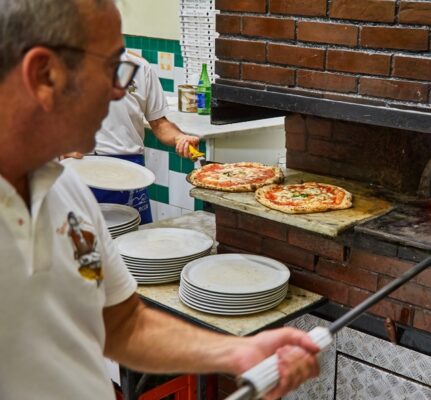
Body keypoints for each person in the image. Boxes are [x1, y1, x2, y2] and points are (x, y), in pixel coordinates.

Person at [0, 1, 319, 399]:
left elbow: (124, 324)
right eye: (113, 68)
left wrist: (238, 352)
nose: (121, 89)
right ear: (44, 74)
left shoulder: (66, 191)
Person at [67, 50, 200, 224]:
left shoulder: (139, 67)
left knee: (135, 243)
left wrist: (179, 138)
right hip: (78, 171)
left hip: (129, 173)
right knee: (81, 246)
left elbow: (159, 124)